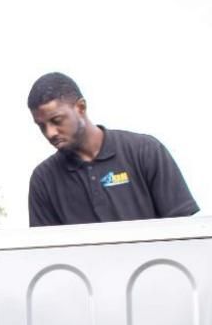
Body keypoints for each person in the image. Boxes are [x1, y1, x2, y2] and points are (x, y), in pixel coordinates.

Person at [26, 72, 198, 226]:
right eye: (41, 126)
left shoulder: (145, 151)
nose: (50, 133)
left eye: (56, 120)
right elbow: (47, 256)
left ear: (81, 108)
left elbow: (184, 233)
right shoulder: (43, 180)